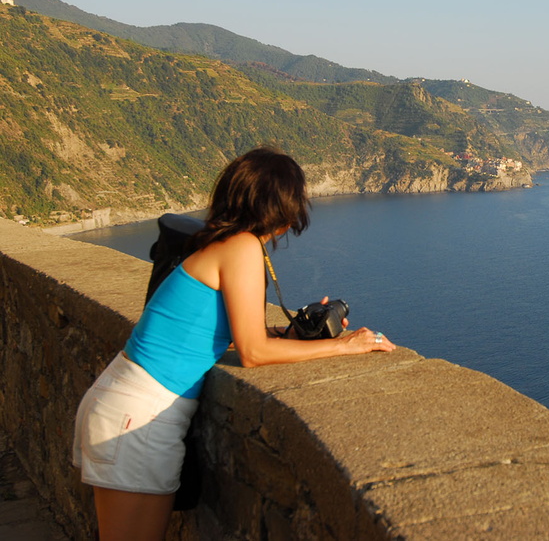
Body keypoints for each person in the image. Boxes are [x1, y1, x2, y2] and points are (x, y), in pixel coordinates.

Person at [72, 146, 395, 540]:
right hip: (138, 417)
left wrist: (290, 335)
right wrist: (345, 346)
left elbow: (217, 334)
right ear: (280, 206)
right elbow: (253, 353)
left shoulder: (217, 242)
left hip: (127, 402)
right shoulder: (242, 247)